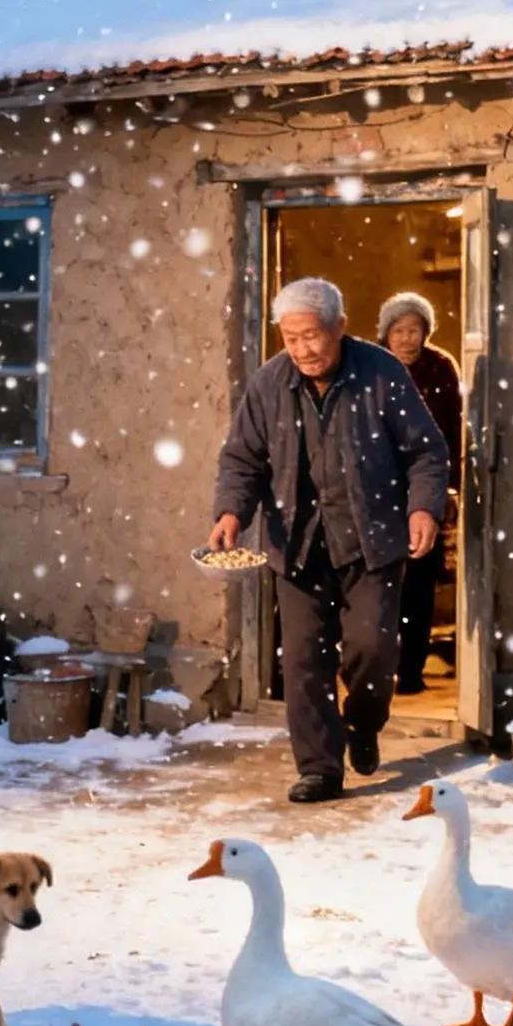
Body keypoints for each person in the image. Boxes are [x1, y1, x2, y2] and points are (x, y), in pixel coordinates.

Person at [208, 278, 449, 805]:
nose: (303, 349)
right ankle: (319, 766)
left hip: (370, 539)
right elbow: (242, 459)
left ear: (340, 327)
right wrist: (231, 512)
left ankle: (362, 725)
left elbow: (427, 451)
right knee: (302, 661)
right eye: (291, 338)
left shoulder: (382, 374)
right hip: (296, 543)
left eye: (312, 336)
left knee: (373, 648)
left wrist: (424, 507)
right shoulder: (269, 384)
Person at [378, 293, 463, 695]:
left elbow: (452, 431)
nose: (407, 339)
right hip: (377, 491)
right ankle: (372, 669)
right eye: (399, 330)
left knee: (418, 585)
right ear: (386, 334)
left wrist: (450, 487)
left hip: (425, 489)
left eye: (415, 330)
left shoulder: (440, 368)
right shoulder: (371, 366)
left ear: (426, 333)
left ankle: (409, 671)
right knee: (376, 584)